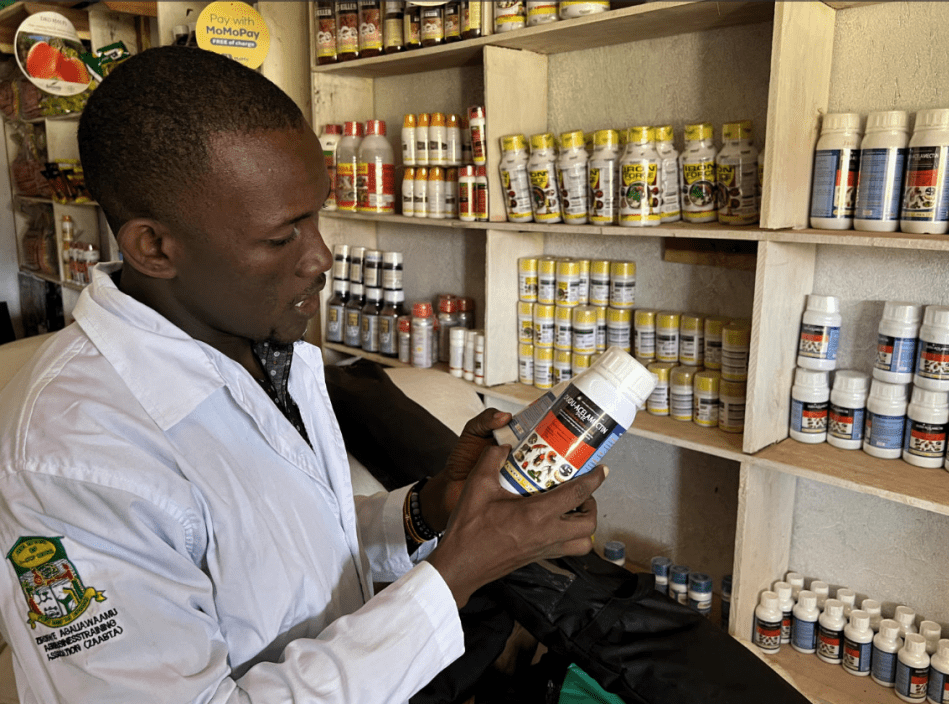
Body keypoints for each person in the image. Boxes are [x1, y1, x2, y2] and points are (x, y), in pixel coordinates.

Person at [0, 46, 605, 703]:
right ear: (155, 247)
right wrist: (458, 572)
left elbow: (288, 553)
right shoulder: (73, 453)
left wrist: (431, 510)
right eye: (280, 236)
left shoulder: (256, 343)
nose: (320, 257)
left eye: (315, 216)